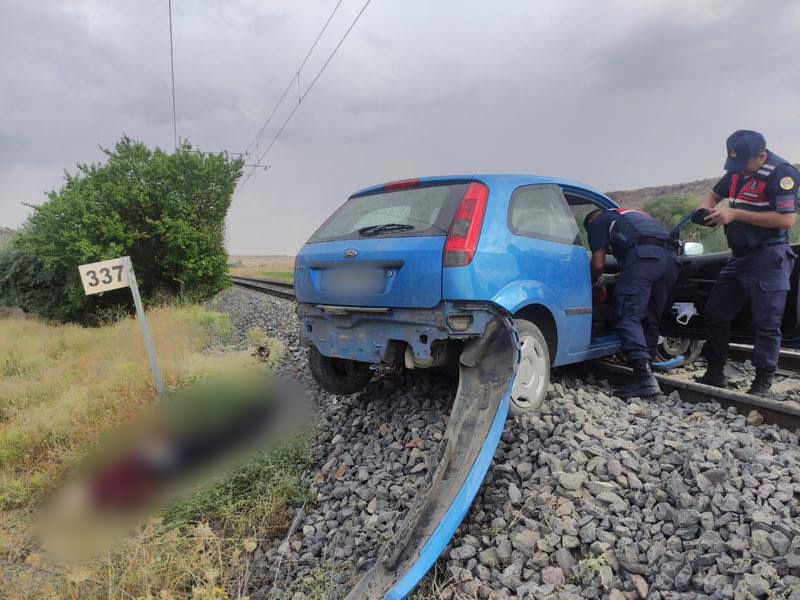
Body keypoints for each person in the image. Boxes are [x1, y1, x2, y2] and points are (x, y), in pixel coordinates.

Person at [694, 130, 798, 395]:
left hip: (768, 256)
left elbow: (787, 220)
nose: (738, 171)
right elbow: (713, 195)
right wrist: (705, 209)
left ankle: (762, 384)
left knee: (766, 323)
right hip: (738, 257)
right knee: (716, 313)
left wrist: (736, 214)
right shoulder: (738, 169)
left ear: (761, 156)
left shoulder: (782, 174)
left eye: (743, 165)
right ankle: (714, 372)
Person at [584, 207, 680, 398]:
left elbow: (598, 263)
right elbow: (643, 257)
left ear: (591, 224)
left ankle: (643, 378)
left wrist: (591, 282)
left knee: (627, 316)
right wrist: (615, 278)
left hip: (644, 258)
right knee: (649, 317)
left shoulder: (598, 222)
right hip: (670, 260)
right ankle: (648, 368)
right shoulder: (634, 216)